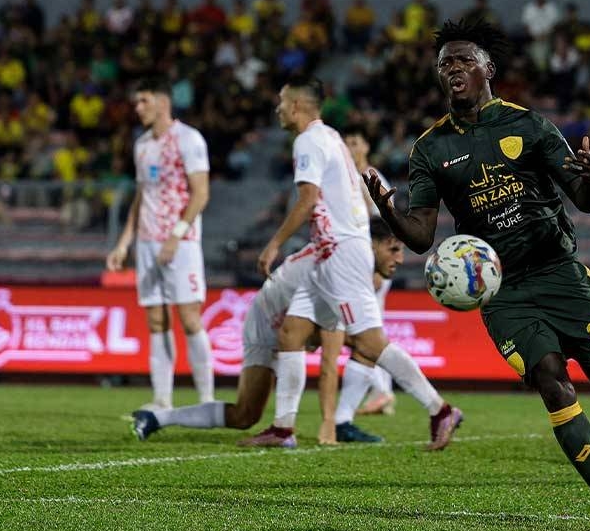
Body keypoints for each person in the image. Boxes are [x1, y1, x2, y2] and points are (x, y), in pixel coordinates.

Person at [363, 18, 590, 531]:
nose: (455, 69)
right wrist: (387, 209)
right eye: (446, 63)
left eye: (465, 60)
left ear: (488, 68)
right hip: (502, 290)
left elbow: (585, 202)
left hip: (559, 270)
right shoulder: (430, 148)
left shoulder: (528, 125)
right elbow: (421, 235)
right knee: (551, 381)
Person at [256, 76, 462, 449]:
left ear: (298, 106)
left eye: (282, 101)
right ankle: (283, 428)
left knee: (368, 341)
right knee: (292, 332)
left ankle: (439, 409)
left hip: (341, 253)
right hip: (331, 252)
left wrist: (274, 245)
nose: (278, 109)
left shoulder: (308, 141)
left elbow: (307, 200)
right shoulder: (331, 136)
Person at [131, 218, 405, 444]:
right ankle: (159, 417)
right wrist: (325, 426)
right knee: (245, 416)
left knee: (367, 343)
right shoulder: (336, 270)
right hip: (265, 320)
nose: (400, 259)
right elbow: (327, 366)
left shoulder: (345, 263)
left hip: (295, 323)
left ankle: (337, 423)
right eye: (393, 250)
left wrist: (330, 422)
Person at [106, 77, 215, 411]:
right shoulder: (141, 145)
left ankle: (207, 398)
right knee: (155, 319)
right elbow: (142, 198)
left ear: (163, 103)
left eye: (144, 101)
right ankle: (162, 399)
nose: (138, 108)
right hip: (148, 243)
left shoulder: (188, 139)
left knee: (189, 317)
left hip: (181, 243)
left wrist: (176, 234)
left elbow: (201, 193)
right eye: (137, 102)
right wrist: (124, 243)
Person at [343, 127, 396, 415]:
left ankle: (383, 390)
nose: (349, 148)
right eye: (346, 143)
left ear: (365, 147)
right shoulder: (349, 178)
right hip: (360, 260)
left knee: (362, 327)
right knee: (369, 326)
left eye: (354, 142)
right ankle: (381, 391)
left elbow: (388, 221)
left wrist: (380, 267)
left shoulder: (370, 178)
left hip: (373, 261)